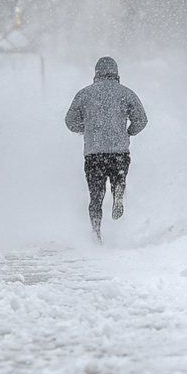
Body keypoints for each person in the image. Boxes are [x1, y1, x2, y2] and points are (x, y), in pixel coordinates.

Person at [65, 57, 148, 241]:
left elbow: (70, 121)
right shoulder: (126, 93)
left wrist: (85, 128)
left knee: (95, 195)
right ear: (116, 73)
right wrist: (128, 132)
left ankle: (96, 232)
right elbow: (141, 119)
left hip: (94, 152)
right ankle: (118, 188)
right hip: (119, 151)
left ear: (96, 73)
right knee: (119, 177)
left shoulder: (84, 94)